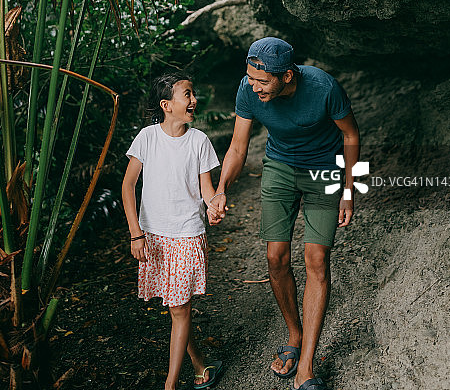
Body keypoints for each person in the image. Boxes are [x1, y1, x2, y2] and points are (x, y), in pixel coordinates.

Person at [209, 37, 360, 390]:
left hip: (324, 172)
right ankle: (294, 333)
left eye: (263, 81)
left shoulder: (324, 87)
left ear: (288, 76)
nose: (254, 86)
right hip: (279, 167)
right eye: (250, 78)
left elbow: (351, 135)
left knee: (316, 258)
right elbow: (238, 145)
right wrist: (220, 189)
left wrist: (350, 191)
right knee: (276, 258)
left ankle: (306, 365)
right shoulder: (248, 89)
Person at [122, 73, 225, 390]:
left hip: (186, 235)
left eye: (193, 94)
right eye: (187, 94)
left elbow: (206, 189)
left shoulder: (199, 141)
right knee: (175, 307)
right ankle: (200, 366)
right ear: (167, 105)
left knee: (179, 309)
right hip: (153, 236)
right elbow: (127, 186)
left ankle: (170, 385)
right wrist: (136, 234)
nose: (194, 100)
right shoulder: (147, 137)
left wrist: (214, 205)